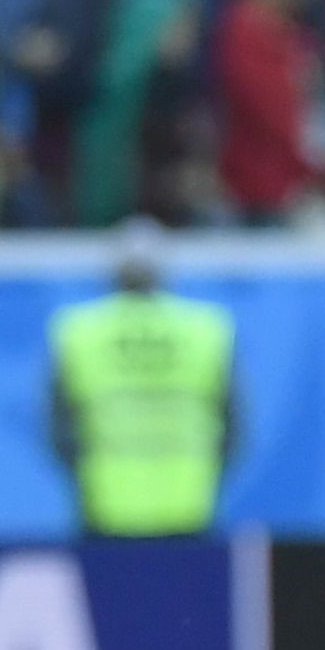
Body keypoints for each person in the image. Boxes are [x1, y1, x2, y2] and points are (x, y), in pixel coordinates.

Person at [49, 221, 236, 534]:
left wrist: (83, 476)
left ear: (114, 272)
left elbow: (58, 428)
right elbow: (234, 428)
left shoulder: (80, 331)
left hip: (105, 506)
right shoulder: (205, 329)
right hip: (189, 506)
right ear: (163, 271)